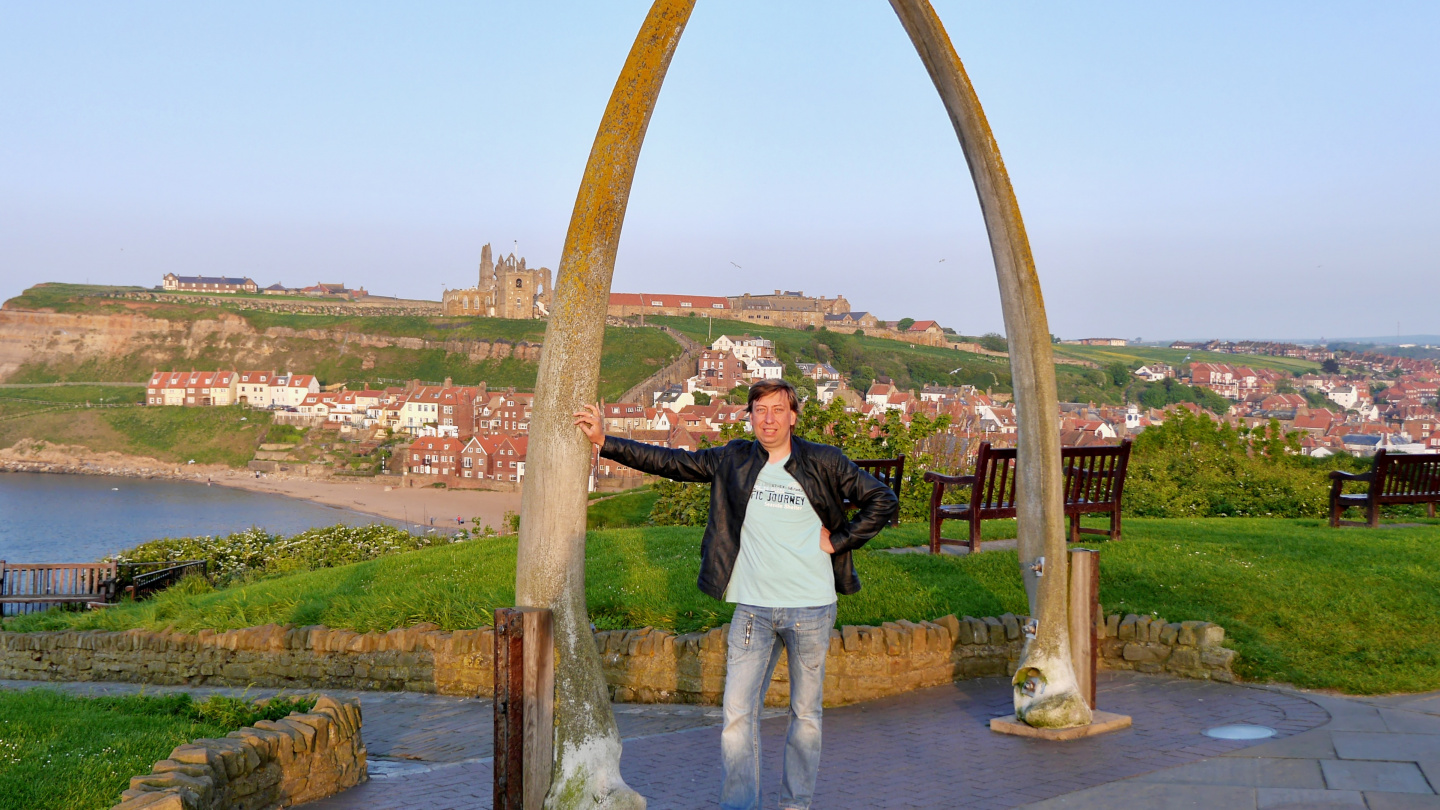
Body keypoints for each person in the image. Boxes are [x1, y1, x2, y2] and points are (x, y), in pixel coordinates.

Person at [574, 378, 897, 810]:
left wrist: (839, 541)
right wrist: (605, 441)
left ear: (793, 416)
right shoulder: (734, 459)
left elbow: (882, 499)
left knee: (805, 718)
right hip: (753, 611)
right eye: (760, 410)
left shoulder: (824, 461)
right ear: (750, 417)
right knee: (737, 719)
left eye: (778, 410)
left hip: (811, 609)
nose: (769, 419)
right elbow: (673, 462)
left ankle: (794, 805)